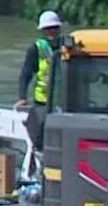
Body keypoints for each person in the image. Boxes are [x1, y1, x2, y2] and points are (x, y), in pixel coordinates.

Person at [15, 10, 71, 154]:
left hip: (67, 101)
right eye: (47, 29)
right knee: (40, 136)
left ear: (59, 29)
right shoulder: (36, 49)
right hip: (43, 102)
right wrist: (22, 97)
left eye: (54, 28)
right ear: (42, 31)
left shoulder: (69, 46)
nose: (51, 32)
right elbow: (26, 74)